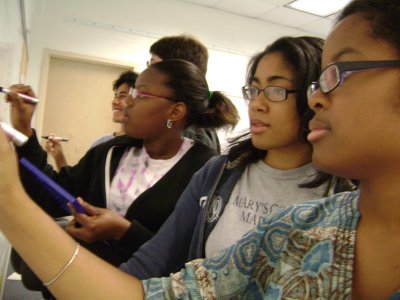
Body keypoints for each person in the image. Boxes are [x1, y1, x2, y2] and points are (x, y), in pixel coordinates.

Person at [0, 0, 399, 298]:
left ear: (175, 111)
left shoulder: (202, 163)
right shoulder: (116, 152)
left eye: (139, 93)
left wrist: (124, 230)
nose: (125, 102)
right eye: (254, 89)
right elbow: (158, 278)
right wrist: (21, 151)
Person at [119, 35, 355, 279]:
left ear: (315, 97)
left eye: (276, 90)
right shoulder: (219, 173)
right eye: (254, 90)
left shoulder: (346, 194)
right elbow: (155, 259)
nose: (256, 105)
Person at [45, 70, 138, 170]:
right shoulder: (101, 143)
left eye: (122, 96)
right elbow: (77, 182)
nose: (114, 102)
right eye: (115, 96)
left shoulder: (142, 146)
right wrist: (59, 156)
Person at [149, 34, 221, 152]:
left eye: (153, 65)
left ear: (179, 72)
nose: (146, 73)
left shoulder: (187, 133)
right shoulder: (177, 123)